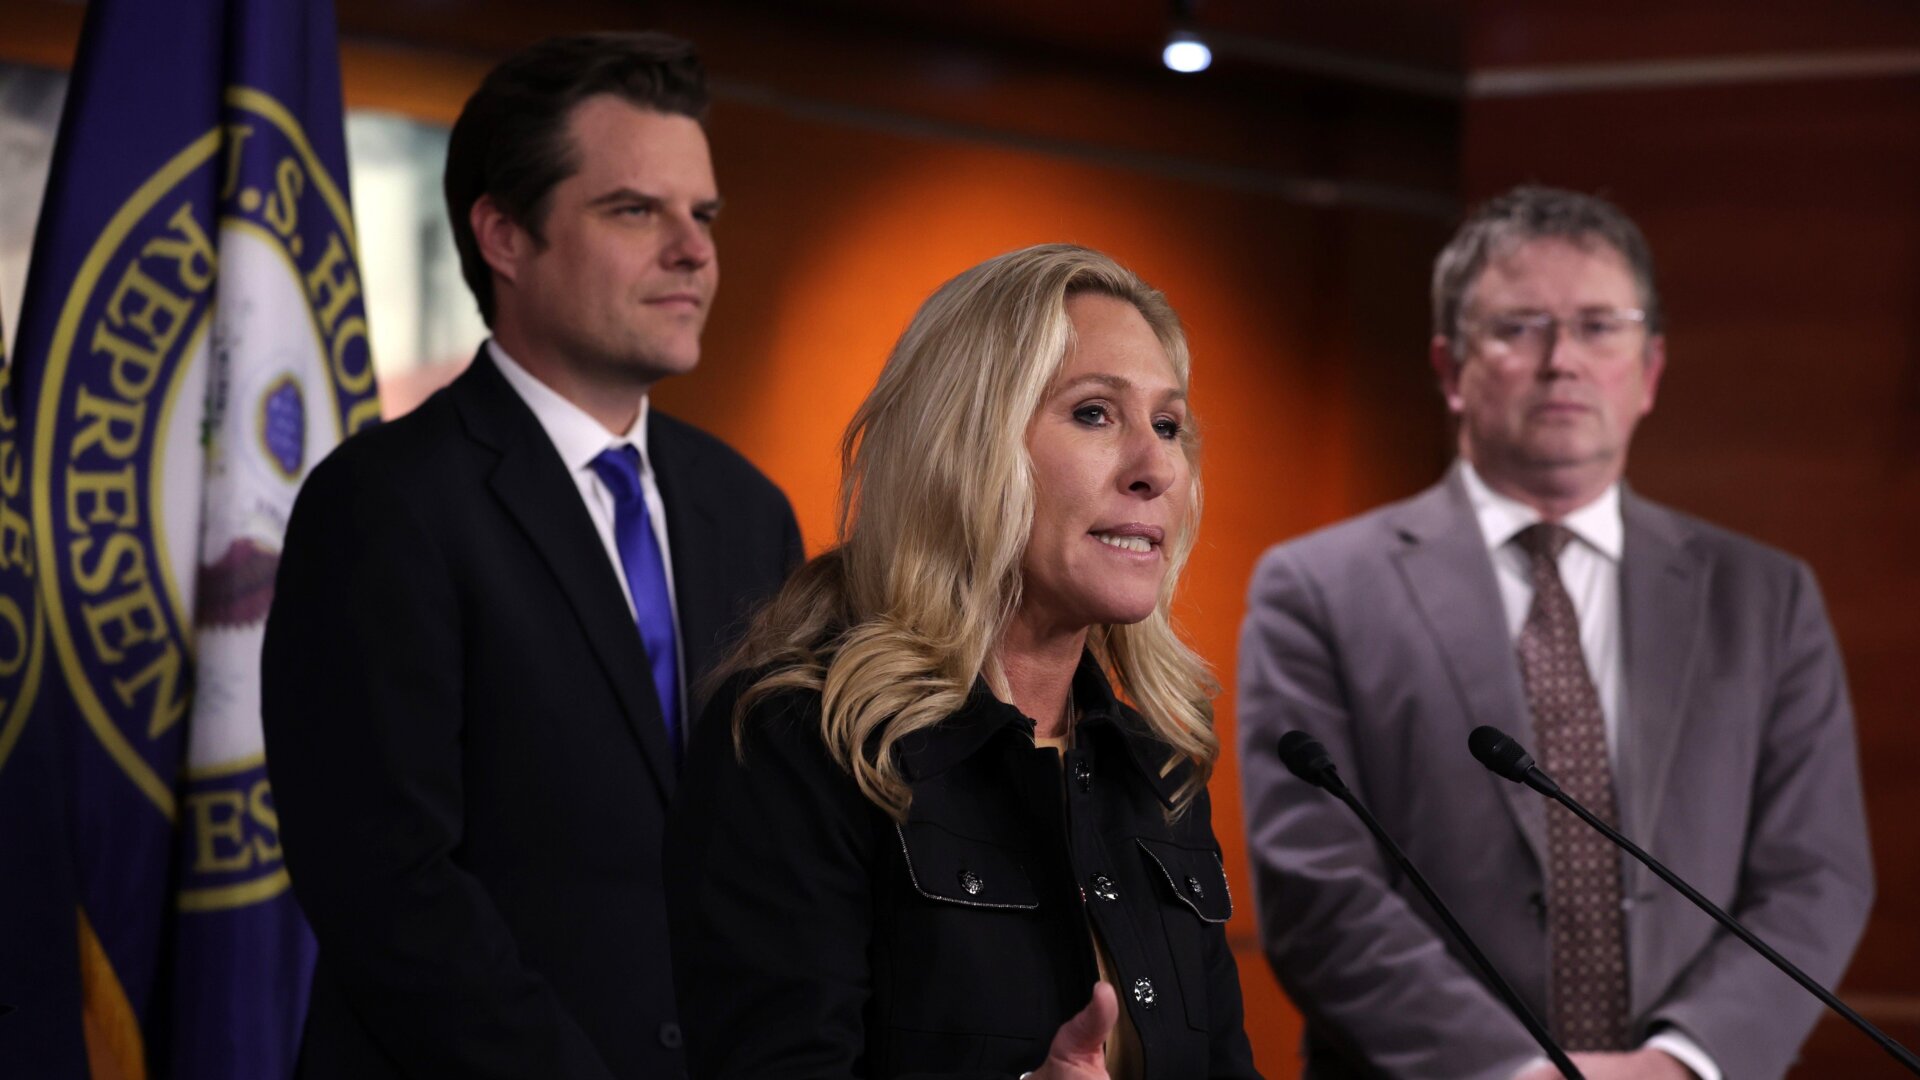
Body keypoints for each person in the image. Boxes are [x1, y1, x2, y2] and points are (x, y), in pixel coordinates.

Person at [1237, 186, 1873, 1080]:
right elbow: (1316, 886)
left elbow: (1817, 874)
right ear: (1451, 368)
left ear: (1649, 370)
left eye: (1599, 326)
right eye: (1519, 327)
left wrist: (1683, 1062)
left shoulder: (1764, 597)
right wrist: (1521, 1072)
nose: (1562, 360)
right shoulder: (1318, 589)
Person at [262, 32, 802, 1079]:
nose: (694, 251)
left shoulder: (749, 512)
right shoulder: (383, 503)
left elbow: (776, 858)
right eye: (636, 210)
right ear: (505, 236)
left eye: (704, 215)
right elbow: (390, 887)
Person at [663, 243, 1261, 1079]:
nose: (1156, 466)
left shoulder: (1155, 775)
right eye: (1095, 414)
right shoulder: (803, 743)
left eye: (1169, 426)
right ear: (965, 445)